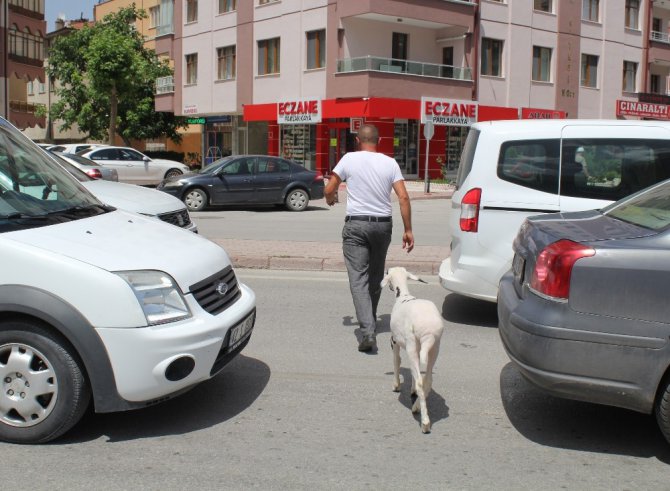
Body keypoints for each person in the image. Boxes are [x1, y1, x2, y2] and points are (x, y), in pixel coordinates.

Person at [324, 124, 414, 353]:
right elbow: (403, 197)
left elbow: (329, 188)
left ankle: (367, 332)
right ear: (379, 140)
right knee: (375, 277)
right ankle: (370, 320)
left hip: (356, 225)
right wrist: (408, 229)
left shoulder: (349, 159)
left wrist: (331, 197)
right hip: (383, 226)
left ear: (357, 140)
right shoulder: (390, 163)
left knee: (358, 280)